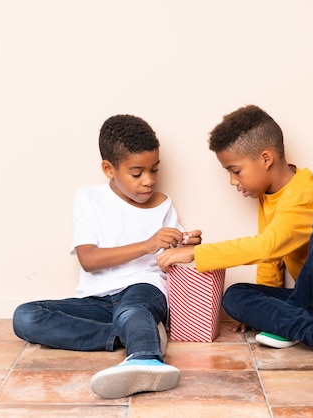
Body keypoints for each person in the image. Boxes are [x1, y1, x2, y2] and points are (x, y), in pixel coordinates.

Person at [156, 105, 313, 371]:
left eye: (235, 170)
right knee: (234, 296)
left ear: (266, 159)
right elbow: (271, 260)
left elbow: (267, 246)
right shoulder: (268, 196)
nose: (233, 181)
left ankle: (291, 322)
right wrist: (263, 316)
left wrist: (197, 254)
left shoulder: (301, 193)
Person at [12, 114, 201, 398]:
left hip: (144, 289)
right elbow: (89, 259)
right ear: (109, 168)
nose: (148, 181)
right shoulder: (89, 200)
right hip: (98, 299)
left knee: (132, 309)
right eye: (137, 173)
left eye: (154, 170)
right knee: (25, 316)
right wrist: (147, 244)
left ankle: (145, 358)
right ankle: (125, 334)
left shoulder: (163, 204)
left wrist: (187, 245)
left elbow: (172, 257)